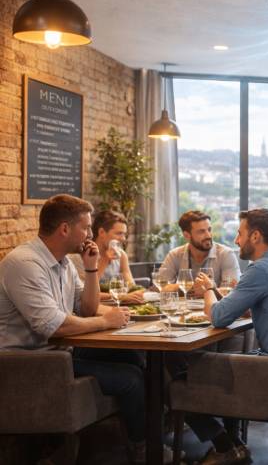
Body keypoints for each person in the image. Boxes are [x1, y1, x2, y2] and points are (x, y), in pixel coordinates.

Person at [0, 195, 159, 463]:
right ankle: (142, 449)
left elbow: (86, 308)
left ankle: (143, 439)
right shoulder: (25, 263)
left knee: (135, 357)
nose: (89, 234)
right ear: (65, 229)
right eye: (85, 228)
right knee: (130, 378)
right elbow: (55, 325)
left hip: (59, 352)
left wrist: (91, 269)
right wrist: (106, 322)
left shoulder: (62, 262)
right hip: (29, 362)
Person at [168, 208, 268, 464]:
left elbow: (217, 317)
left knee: (175, 369)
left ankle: (225, 445)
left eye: (240, 233)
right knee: (214, 361)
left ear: (256, 236)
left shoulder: (261, 270)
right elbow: (258, 305)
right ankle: (233, 445)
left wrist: (207, 288)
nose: (236, 240)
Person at [70, 210, 145, 304]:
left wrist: (136, 292)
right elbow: (85, 293)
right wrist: (105, 260)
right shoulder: (79, 256)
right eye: (119, 233)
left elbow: (131, 288)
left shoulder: (122, 256)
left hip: (117, 306)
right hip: (93, 309)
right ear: (101, 232)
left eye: (124, 234)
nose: (123, 239)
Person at [159, 210, 241, 292]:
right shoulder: (174, 255)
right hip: (183, 305)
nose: (208, 235)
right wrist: (192, 287)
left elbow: (231, 291)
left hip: (215, 305)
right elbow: (161, 286)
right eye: (201, 232)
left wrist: (209, 289)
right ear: (187, 235)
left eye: (209, 229)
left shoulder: (226, 254)